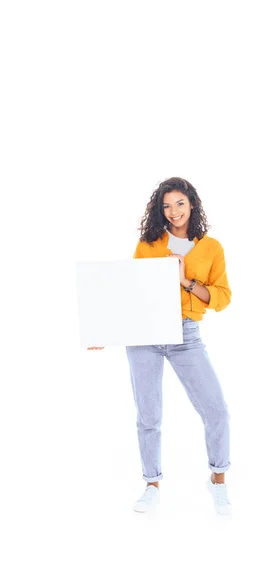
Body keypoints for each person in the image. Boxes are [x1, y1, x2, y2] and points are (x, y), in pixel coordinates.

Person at [88, 176, 232, 515]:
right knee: (148, 415)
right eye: (166, 206)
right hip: (145, 335)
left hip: (186, 334)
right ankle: (151, 484)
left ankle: (218, 480)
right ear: (160, 210)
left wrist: (185, 281)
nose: (174, 211)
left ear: (192, 204)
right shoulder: (149, 243)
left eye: (180, 203)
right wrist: (101, 330)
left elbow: (222, 298)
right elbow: (130, 292)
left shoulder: (211, 248)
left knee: (217, 410)